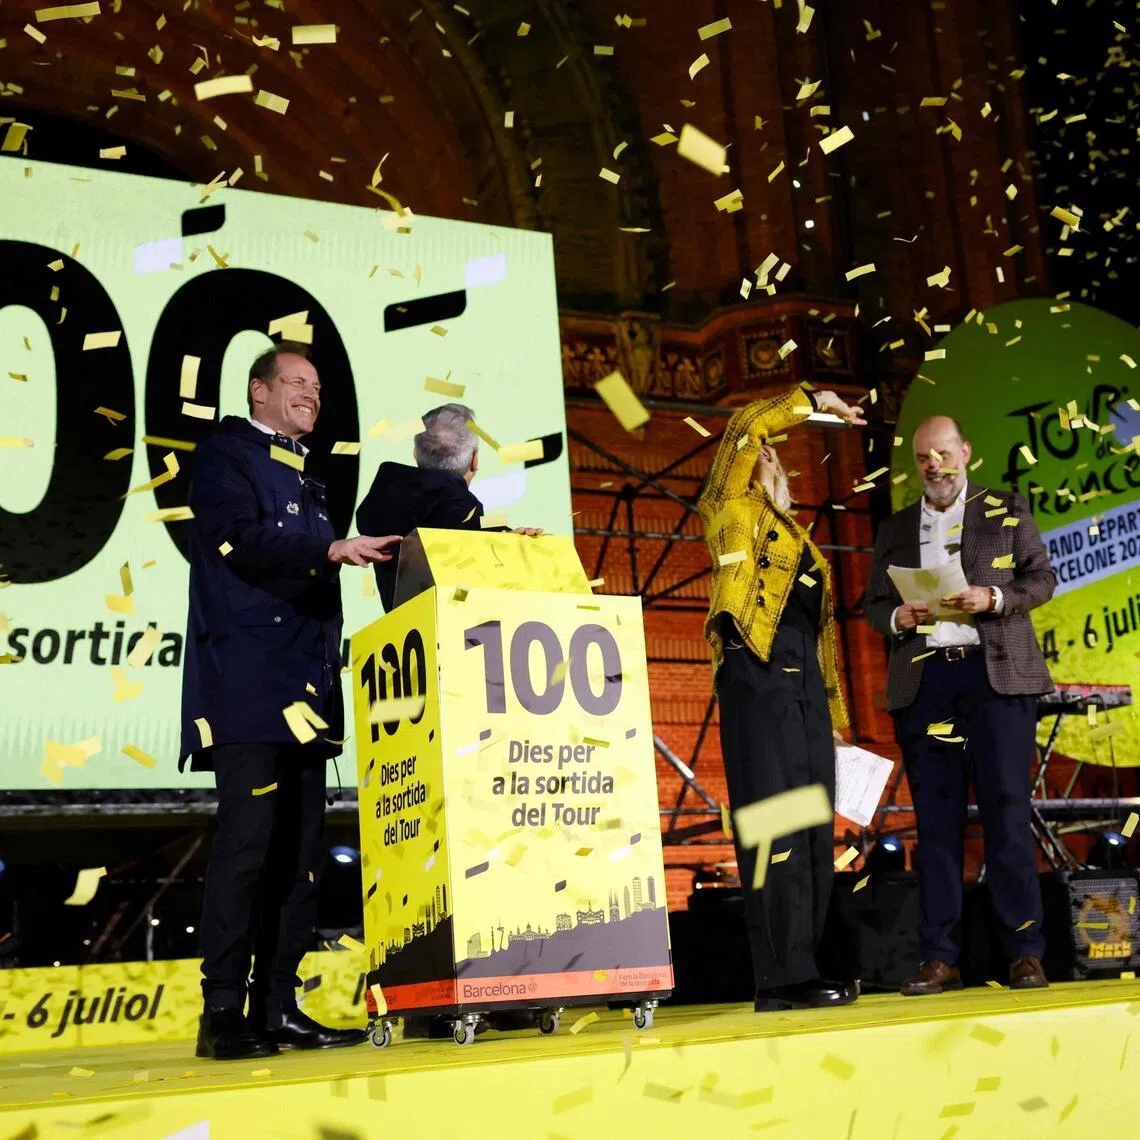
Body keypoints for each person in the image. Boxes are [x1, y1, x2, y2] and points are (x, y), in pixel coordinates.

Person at [181, 341, 401, 1060]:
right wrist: (329, 551)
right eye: (297, 383)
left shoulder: (307, 473)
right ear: (259, 392)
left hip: (308, 689)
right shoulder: (224, 456)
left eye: (316, 385)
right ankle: (223, 1016)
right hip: (248, 687)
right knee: (248, 849)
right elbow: (233, 542)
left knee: (301, 856)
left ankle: (279, 1007)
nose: (312, 394)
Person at [863, 415, 1056, 995]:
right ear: (915, 463)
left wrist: (993, 597)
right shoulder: (896, 527)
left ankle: (1024, 952)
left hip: (996, 681)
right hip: (927, 687)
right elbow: (873, 604)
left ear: (965, 453)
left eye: (943, 453)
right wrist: (899, 616)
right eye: (924, 457)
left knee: (1007, 816)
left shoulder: (1005, 506)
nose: (934, 466)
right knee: (937, 825)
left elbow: (1042, 580)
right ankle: (939, 957)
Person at [700, 384, 866, 1011]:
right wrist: (812, 399)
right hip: (756, 678)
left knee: (816, 825)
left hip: (803, 692)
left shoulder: (805, 545)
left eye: (775, 454)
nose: (768, 455)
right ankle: (780, 976)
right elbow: (746, 421)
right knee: (777, 827)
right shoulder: (728, 511)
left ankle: (810, 961)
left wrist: (834, 721)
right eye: (761, 452)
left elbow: (819, 640)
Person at [356, 402, 539, 610]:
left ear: (415, 453)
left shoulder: (383, 503)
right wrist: (509, 545)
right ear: (475, 460)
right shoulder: (461, 507)